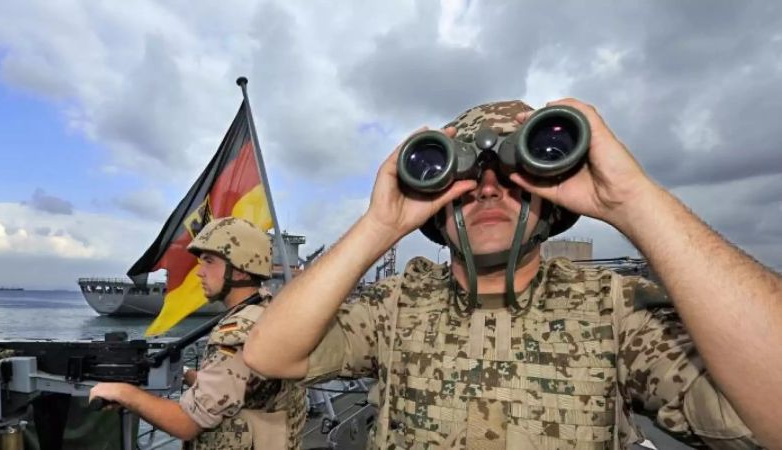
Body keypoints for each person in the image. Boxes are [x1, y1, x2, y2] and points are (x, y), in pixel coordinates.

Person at [243, 99, 782, 449]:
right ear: (437, 207)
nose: (488, 188)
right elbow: (270, 353)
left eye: (515, 172)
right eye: (466, 178)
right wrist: (381, 223)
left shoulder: (613, 308)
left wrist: (634, 202)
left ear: (552, 195)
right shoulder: (397, 303)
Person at [90, 217, 306, 449]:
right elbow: (242, 386)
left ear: (241, 271)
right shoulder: (267, 313)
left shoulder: (237, 333)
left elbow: (188, 423)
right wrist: (184, 374)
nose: (200, 273)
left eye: (209, 262)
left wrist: (124, 393)